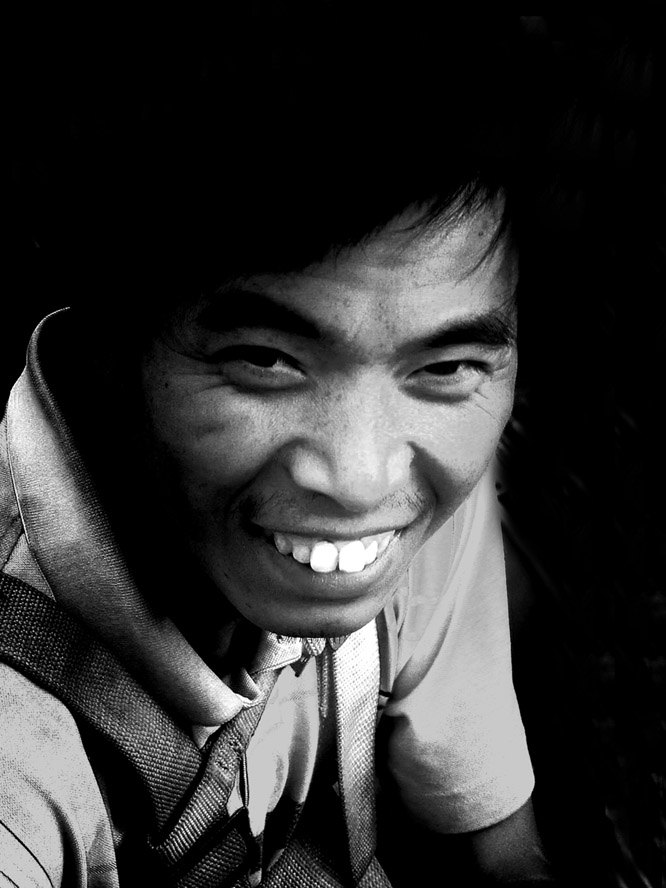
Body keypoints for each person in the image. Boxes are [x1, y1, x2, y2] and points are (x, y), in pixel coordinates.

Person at [1, 9, 560, 886]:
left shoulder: (429, 508)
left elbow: (500, 855)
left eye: (445, 365)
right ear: (107, 342)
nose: (361, 480)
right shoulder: (19, 761)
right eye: (263, 361)